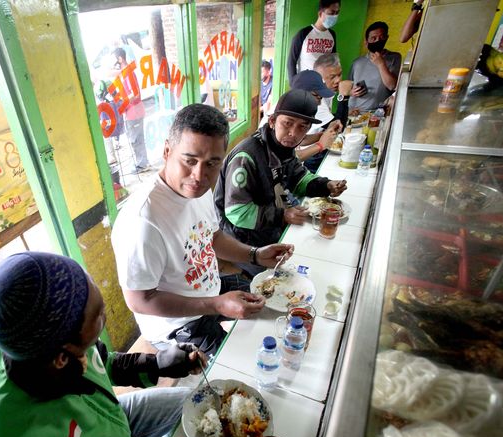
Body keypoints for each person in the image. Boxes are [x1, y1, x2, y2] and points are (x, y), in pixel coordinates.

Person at [0, 251, 206, 437]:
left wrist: (158, 365)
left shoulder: (45, 343)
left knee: (199, 405)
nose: (105, 312)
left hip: (107, 423)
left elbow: (102, 364)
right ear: (62, 358)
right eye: (98, 314)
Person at [111, 104, 294, 355]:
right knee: (237, 364)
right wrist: (216, 305)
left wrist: (255, 254)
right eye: (189, 161)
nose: (199, 175)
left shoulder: (199, 189)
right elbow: (140, 300)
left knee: (273, 304)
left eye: (211, 163)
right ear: (167, 151)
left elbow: (213, 237)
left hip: (210, 287)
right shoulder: (142, 221)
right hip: (177, 324)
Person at [214, 90, 347, 276]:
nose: (293, 133)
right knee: (282, 278)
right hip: (241, 238)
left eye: (302, 127)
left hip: (268, 226)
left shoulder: (284, 147)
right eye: (287, 123)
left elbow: (299, 177)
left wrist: (325, 185)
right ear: (272, 121)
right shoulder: (247, 156)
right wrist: (282, 215)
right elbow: (237, 212)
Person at [289, 70, 341, 169]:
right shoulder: (285, 116)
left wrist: (324, 134)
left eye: (321, 98)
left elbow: (301, 139)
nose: (319, 103)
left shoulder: (299, 111)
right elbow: (287, 159)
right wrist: (320, 145)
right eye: (316, 96)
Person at [349, 21, 402, 113]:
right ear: (366, 42)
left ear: (387, 38)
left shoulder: (394, 57)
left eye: (381, 37)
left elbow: (392, 86)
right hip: (354, 112)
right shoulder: (357, 62)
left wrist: (381, 64)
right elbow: (347, 87)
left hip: (378, 113)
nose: (378, 41)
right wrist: (351, 92)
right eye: (373, 38)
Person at [114, 47, 150, 174]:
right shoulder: (126, 72)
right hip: (134, 111)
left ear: (120, 58)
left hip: (134, 112)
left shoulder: (127, 73)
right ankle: (142, 163)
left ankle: (142, 164)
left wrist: (123, 104)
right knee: (137, 138)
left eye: (115, 60)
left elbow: (134, 94)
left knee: (136, 140)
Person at [287, 0, 340, 84]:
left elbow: (333, 61)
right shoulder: (303, 34)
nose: (335, 16)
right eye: (331, 12)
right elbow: (291, 61)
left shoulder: (332, 35)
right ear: (320, 14)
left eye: (337, 13)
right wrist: (293, 84)